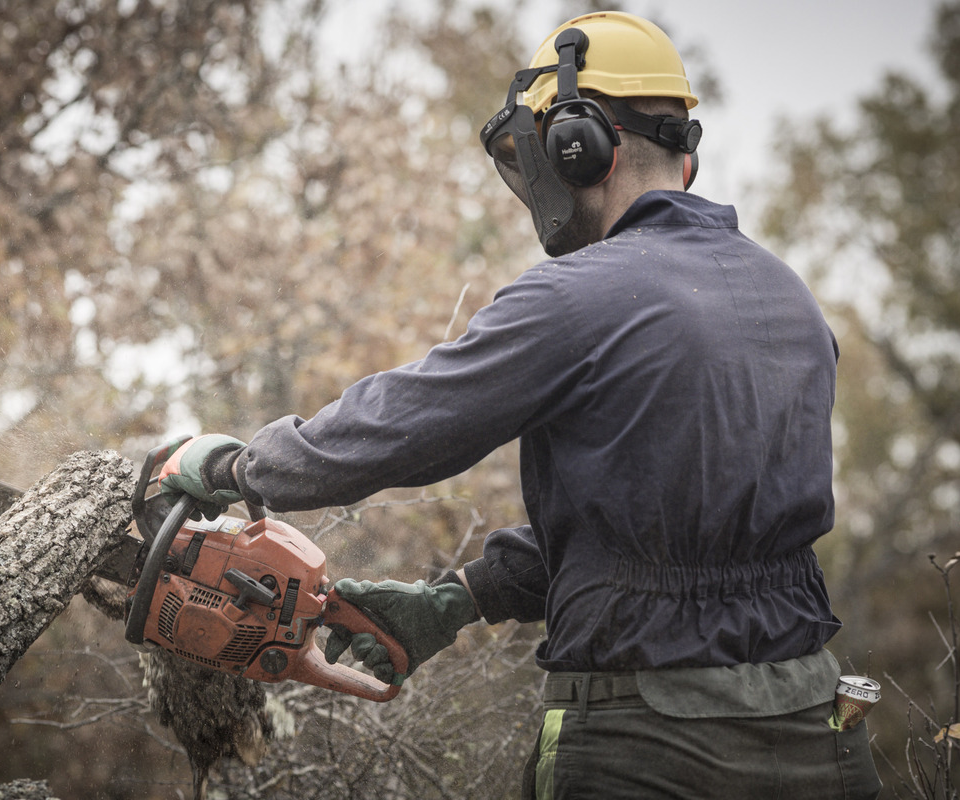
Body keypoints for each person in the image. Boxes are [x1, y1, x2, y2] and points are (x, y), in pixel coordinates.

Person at [154, 11, 883, 799]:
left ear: (579, 143)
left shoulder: (581, 296)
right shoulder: (791, 302)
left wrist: (239, 466)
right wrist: (463, 596)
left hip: (651, 739)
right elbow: (674, 533)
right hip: (815, 723)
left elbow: (408, 423)